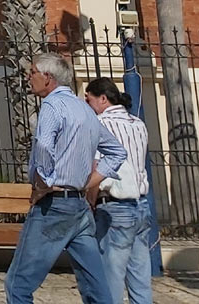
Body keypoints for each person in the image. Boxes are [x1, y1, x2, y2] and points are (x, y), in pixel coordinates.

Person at [5, 53, 127, 304]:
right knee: (95, 285)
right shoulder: (84, 109)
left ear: (48, 78)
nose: (29, 77)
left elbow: (43, 147)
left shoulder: (51, 106)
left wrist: (43, 184)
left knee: (18, 284)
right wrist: (87, 182)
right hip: (79, 208)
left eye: (33, 72)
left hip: (54, 206)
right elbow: (117, 152)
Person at [85, 78, 152, 304]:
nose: (86, 103)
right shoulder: (138, 123)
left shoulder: (100, 123)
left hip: (114, 203)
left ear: (103, 99)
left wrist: (90, 201)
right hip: (141, 203)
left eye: (89, 98)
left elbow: (96, 168)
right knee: (140, 272)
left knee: (110, 274)